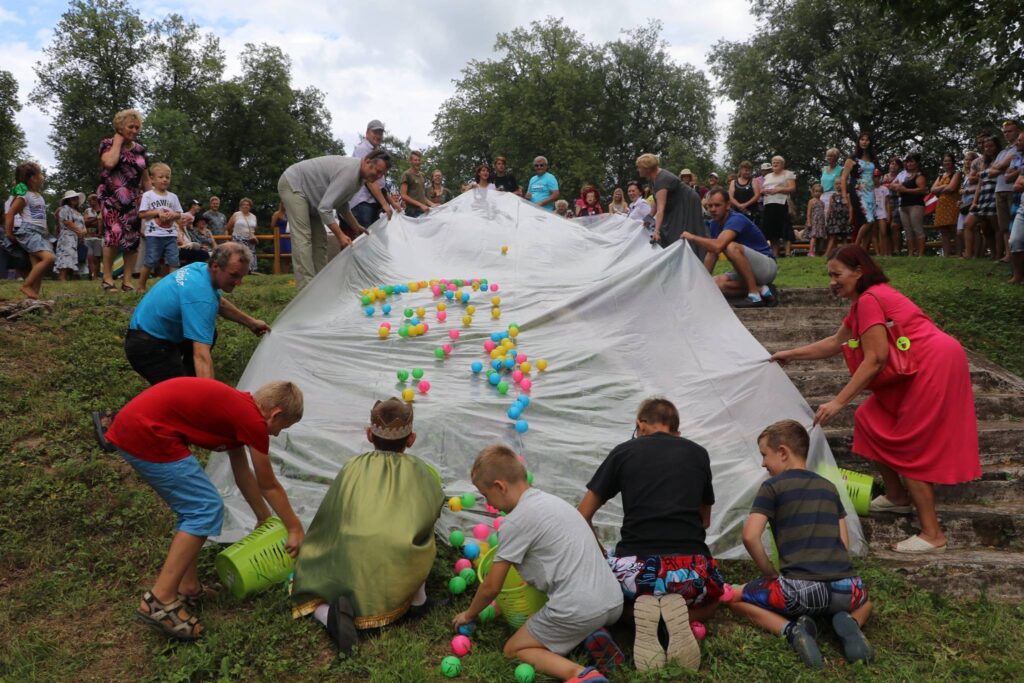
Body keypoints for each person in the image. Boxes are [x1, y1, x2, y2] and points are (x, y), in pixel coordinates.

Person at [770, 246, 981, 554]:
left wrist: (838, 401)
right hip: (921, 365)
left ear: (859, 272)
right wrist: (790, 354)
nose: (831, 281)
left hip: (932, 365)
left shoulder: (870, 301)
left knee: (909, 443)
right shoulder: (861, 304)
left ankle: (932, 533)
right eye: (829, 274)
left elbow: (876, 359)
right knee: (869, 419)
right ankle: (897, 497)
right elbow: (835, 342)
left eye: (837, 274)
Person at [106, 377, 305, 641]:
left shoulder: (241, 410)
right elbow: (268, 484)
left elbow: (242, 470)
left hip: (139, 427)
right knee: (204, 507)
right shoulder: (253, 421)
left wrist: (263, 518)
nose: (278, 434)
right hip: (146, 433)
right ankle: (160, 599)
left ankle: (188, 587)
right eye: (283, 427)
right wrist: (294, 527)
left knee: (195, 508)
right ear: (275, 414)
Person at [453, 445, 624, 683]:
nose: (488, 503)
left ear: (500, 486)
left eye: (486, 495)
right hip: (613, 600)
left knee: (514, 649)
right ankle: (592, 635)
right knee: (576, 614)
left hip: (578, 608)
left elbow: (492, 587)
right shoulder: (554, 502)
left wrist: (469, 615)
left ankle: (580, 675)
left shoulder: (516, 521)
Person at [578, 398, 723, 673]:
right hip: (691, 574)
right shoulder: (698, 453)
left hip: (636, 575)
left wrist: (600, 559)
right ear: (677, 432)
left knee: (608, 604)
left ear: (640, 425)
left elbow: (582, 514)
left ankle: (639, 618)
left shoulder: (623, 452)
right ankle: (679, 616)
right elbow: (704, 521)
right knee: (714, 604)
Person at [291, 398, 444, 653]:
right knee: (422, 534)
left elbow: (330, 514)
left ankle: (327, 614)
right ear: (411, 439)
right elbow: (433, 506)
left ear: (369, 434)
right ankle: (418, 600)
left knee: (314, 591)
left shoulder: (352, 466)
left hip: (346, 554)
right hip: (396, 556)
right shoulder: (419, 470)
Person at [728, 420, 874, 669]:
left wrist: (769, 574)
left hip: (799, 592)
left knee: (734, 597)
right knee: (867, 601)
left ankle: (791, 630)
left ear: (783, 452)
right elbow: (843, 543)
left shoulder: (772, 487)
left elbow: (750, 536)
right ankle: (851, 622)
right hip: (845, 590)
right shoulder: (829, 488)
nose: (763, 463)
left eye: (765, 455)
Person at [124, 242, 270, 385]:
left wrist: (251, 322)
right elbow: (201, 356)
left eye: (242, 276)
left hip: (152, 334)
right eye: (234, 275)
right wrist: (209, 397)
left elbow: (220, 302)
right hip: (146, 346)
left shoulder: (200, 269)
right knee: (182, 399)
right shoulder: (201, 297)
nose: (238, 282)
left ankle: (193, 382)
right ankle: (192, 391)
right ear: (215, 266)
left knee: (210, 335)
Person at [277, 150, 392, 290]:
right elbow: (325, 208)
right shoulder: (350, 173)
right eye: (378, 171)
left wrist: (356, 226)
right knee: (303, 238)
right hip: (294, 184)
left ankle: (321, 286)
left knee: (320, 241)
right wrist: (340, 235)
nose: (378, 177)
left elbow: (342, 205)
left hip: (313, 199)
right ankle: (306, 290)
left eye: (382, 174)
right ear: (367, 161)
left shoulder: (361, 178)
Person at [683, 187, 777, 307]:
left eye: (717, 205)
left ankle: (754, 295)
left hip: (766, 268)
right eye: (709, 206)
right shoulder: (714, 224)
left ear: (728, 205)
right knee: (714, 285)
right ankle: (763, 290)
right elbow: (712, 253)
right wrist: (701, 285)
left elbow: (718, 246)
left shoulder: (736, 219)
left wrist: (692, 238)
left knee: (730, 246)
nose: (712, 209)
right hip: (746, 270)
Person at [98, 109, 150, 293]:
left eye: (137, 127)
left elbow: (145, 178)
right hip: (112, 198)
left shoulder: (140, 150)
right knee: (113, 235)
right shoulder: (107, 144)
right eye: (131, 126)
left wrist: (151, 199)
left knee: (132, 240)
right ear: (120, 127)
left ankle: (127, 281)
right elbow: (110, 163)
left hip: (135, 200)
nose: (135, 130)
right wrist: (118, 142)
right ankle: (107, 278)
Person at [4, 162, 55, 299]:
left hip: (40, 233)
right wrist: (8, 233)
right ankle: (26, 286)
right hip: (29, 232)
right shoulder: (24, 195)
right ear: (33, 178)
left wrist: (46, 231)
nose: (43, 176)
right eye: (41, 173)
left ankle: (33, 298)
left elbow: (41, 217)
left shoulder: (39, 196)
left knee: (37, 266)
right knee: (49, 258)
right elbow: (10, 213)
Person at [635, 154, 705, 250]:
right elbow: (656, 200)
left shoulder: (661, 180)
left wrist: (656, 231)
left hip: (687, 202)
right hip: (677, 204)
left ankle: (693, 255)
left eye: (639, 167)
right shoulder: (653, 179)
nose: (638, 170)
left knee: (680, 231)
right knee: (670, 229)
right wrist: (649, 217)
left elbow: (661, 209)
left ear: (647, 168)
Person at [136, 163, 183, 294]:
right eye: (161, 177)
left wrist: (173, 215)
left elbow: (179, 214)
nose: (164, 180)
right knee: (150, 260)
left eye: (167, 177)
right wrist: (157, 212)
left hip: (170, 234)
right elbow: (142, 214)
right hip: (154, 234)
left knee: (174, 261)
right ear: (151, 179)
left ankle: (175, 288)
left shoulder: (173, 197)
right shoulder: (148, 195)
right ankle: (141, 286)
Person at [836, 133, 877, 257]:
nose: (864, 142)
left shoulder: (872, 157)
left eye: (867, 140)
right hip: (857, 189)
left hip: (870, 190)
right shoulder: (852, 158)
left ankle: (863, 252)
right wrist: (844, 195)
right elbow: (843, 178)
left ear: (870, 142)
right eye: (862, 139)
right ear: (858, 142)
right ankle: (856, 247)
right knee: (868, 220)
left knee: (871, 221)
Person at [349, 120, 394, 228]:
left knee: (373, 240)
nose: (378, 136)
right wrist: (384, 204)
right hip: (362, 202)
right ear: (367, 133)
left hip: (372, 203)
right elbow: (369, 181)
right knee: (365, 238)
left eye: (381, 133)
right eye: (375, 132)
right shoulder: (363, 149)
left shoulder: (377, 152)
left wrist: (392, 202)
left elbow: (380, 184)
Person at [965, 135, 1001, 260]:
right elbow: (979, 182)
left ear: (996, 146)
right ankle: (975, 254)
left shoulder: (1000, 158)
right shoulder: (983, 162)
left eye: (991, 146)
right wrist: (975, 201)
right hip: (982, 195)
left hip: (994, 193)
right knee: (971, 224)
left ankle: (998, 254)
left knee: (996, 227)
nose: (988, 149)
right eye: (986, 147)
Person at [992, 120, 1022, 262]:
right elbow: (993, 170)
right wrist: (1001, 167)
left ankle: (1016, 254)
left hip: (1013, 190)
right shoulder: (1003, 151)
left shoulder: (1019, 147)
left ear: (1017, 131)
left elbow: (1001, 167)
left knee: (1014, 221)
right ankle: (1009, 254)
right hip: (999, 189)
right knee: (1003, 225)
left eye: (1010, 131)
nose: (1007, 134)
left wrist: (1000, 167)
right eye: (1004, 132)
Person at [759, 156, 797, 258]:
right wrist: (763, 191)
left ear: (782, 164)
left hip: (782, 203)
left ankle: (788, 252)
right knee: (772, 230)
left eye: (777, 162)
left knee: (785, 228)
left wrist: (779, 189)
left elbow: (792, 188)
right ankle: (775, 254)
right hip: (769, 204)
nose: (775, 164)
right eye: (773, 162)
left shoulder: (788, 174)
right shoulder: (767, 176)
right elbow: (762, 189)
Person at [891, 153, 928, 257]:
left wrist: (905, 190)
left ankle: (920, 254)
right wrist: (898, 187)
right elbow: (892, 185)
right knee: (907, 231)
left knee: (917, 229)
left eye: (911, 161)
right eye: (907, 161)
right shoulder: (903, 176)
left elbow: (922, 190)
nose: (909, 164)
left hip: (916, 205)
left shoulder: (919, 176)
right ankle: (910, 253)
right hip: (903, 205)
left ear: (917, 163)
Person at [931, 152, 962, 258]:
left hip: (952, 204)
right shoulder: (940, 176)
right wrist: (944, 185)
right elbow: (932, 190)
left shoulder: (956, 173)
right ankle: (946, 255)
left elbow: (951, 188)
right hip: (941, 205)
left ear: (953, 162)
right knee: (944, 231)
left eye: (949, 160)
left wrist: (940, 189)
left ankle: (959, 254)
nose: (947, 163)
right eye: (945, 161)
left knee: (954, 229)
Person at [55, 190, 87, 281]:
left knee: (74, 257)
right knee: (66, 256)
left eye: (75, 197)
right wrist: (79, 231)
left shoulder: (78, 212)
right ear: (67, 200)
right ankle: (62, 277)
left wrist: (83, 232)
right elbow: (67, 222)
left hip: (77, 238)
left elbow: (83, 225)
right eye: (72, 197)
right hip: (67, 237)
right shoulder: (65, 208)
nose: (74, 199)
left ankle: (73, 277)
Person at [226, 198, 258, 275]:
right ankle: (239, 272)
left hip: (250, 240)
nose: (245, 206)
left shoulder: (253, 216)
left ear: (250, 206)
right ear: (240, 206)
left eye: (247, 205)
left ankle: (250, 272)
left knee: (250, 256)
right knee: (241, 256)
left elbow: (255, 228)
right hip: (238, 239)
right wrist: (234, 235)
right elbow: (228, 227)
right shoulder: (236, 214)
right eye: (243, 204)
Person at [1008, 132, 1024, 284]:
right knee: (1015, 241)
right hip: (1022, 208)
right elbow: (1016, 186)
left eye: (1020, 140)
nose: (1017, 143)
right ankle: (1018, 276)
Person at [400, 151, 433, 217]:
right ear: (410, 161)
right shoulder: (406, 174)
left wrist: (432, 204)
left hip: (423, 210)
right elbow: (403, 195)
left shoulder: (422, 175)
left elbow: (422, 195)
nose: (418, 162)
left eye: (419, 160)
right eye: (415, 160)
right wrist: (420, 204)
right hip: (412, 211)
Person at [729, 161, 761, 225]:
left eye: (749, 170)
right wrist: (739, 205)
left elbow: (757, 195)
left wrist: (745, 204)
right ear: (740, 170)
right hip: (737, 212)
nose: (748, 172)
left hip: (752, 212)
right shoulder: (733, 182)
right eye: (746, 170)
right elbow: (730, 196)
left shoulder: (753, 180)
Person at [82, 193, 103, 279]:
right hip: (88, 237)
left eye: (93, 200)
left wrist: (92, 221)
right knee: (90, 257)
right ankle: (92, 276)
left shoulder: (102, 210)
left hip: (98, 237)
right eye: (90, 200)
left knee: (97, 258)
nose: (91, 202)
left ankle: (96, 276)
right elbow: (85, 222)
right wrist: (96, 219)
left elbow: (102, 223)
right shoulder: (87, 211)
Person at [820, 148, 843, 220]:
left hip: (834, 195)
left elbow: (843, 184)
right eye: (828, 156)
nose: (829, 158)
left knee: (831, 217)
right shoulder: (824, 169)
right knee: (821, 217)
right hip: (822, 195)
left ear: (836, 157)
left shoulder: (841, 169)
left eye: (831, 156)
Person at [805, 183, 827, 257]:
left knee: (819, 237)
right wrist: (809, 221)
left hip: (820, 222)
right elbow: (808, 212)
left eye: (820, 191)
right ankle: (811, 251)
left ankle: (818, 251)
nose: (818, 193)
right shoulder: (811, 201)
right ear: (813, 192)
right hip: (814, 221)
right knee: (813, 236)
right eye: (816, 191)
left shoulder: (822, 202)